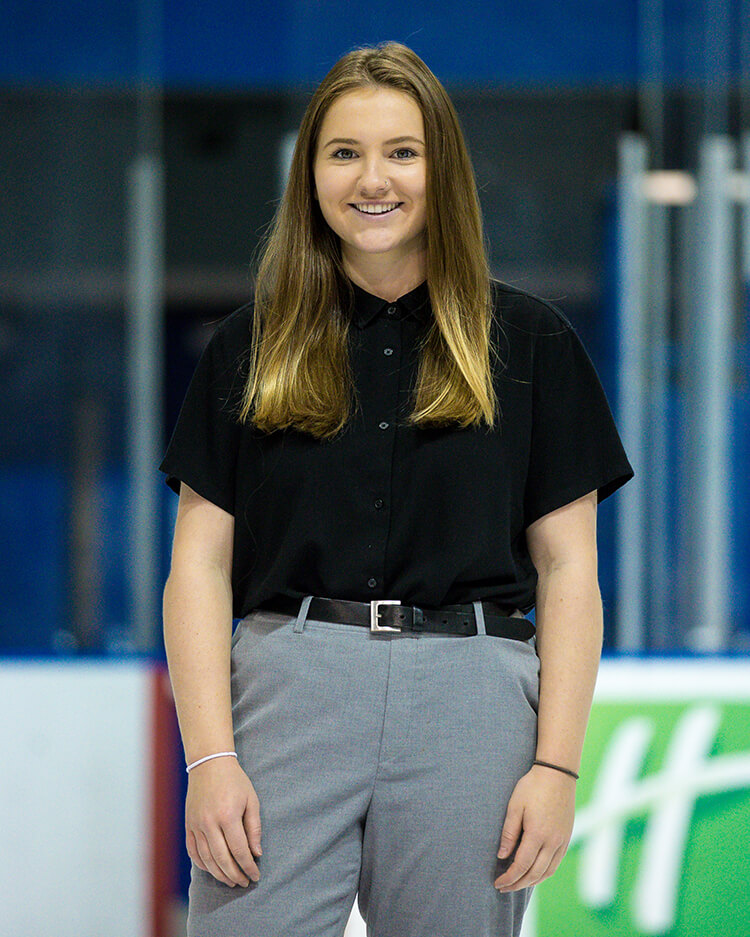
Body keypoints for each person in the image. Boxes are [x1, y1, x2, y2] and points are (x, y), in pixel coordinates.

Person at [160, 40, 634, 937]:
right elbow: (197, 567)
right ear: (311, 176)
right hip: (287, 689)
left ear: (440, 170)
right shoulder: (247, 346)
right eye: (344, 153)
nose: (371, 179)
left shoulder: (531, 344)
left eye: (401, 152)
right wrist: (209, 757)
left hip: (472, 700)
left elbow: (571, 573)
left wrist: (558, 767)